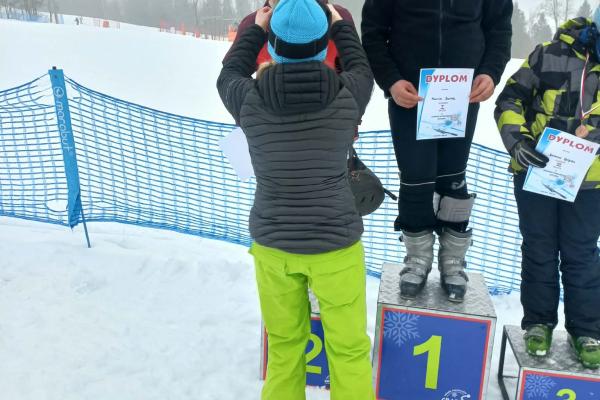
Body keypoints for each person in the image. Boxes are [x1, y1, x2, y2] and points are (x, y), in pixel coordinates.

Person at [217, 0, 376, 398]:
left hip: (274, 247)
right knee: (349, 351)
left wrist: (257, 27)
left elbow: (230, 71)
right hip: (336, 247)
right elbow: (362, 67)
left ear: (272, 45)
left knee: (285, 348)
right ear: (324, 46)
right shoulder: (348, 94)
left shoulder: (247, 99)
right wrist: (340, 26)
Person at [361, 0, 513, 302]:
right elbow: (373, 33)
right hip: (410, 96)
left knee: (454, 178)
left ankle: (453, 261)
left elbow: (499, 30)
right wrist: (391, 80)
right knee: (415, 178)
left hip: (462, 95)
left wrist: (490, 72)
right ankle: (417, 259)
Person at [495, 10, 600, 369]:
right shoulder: (549, 54)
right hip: (537, 173)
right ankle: (538, 323)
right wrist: (518, 142)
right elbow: (510, 99)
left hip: (590, 182)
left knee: (581, 255)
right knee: (539, 248)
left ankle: (587, 331)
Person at [223, 0, 355, 73]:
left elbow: (231, 76)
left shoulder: (338, 19)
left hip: (331, 110)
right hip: (271, 110)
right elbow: (359, 73)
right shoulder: (253, 24)